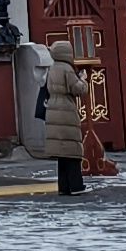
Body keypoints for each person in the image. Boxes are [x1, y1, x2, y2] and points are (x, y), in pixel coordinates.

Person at [42, 39, 89, 194]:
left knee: (62, 154)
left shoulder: (52, 67)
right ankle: (76, 186)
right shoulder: (67, 69)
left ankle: (63, 187)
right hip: (66, 110)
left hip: (53, 108)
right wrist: (83, 79)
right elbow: (78, 89)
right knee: (72, 151)